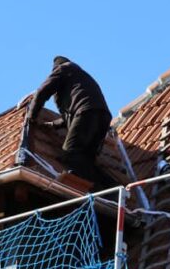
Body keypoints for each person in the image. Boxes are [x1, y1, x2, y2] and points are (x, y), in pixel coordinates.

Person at [27, 56, 112, 185]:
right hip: (102, 118)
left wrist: (31, 117)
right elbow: (71, 114)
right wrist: (52, 125)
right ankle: (109, 190)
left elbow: (42, 92)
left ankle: (81, 188)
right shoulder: (80, 78)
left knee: (70, 154)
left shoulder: (63, 69)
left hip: (87, 114)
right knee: (86, 161)